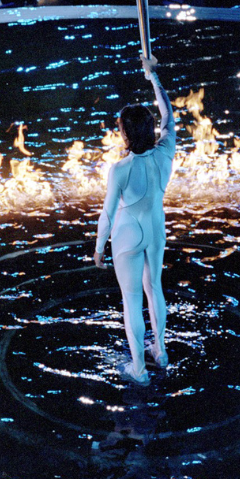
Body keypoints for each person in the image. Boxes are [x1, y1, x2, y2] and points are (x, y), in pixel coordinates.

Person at [94, 56, 178, 384]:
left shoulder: (120, 169)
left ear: (125, 132)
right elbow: (169, 116)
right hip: (156, 228)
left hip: (128, 235)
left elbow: (108, 212)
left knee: (131, 301)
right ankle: (161, 350)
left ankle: (140, 370)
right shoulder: (166, 150)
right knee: (154, 286)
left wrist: (100, 246)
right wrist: (153, 78)